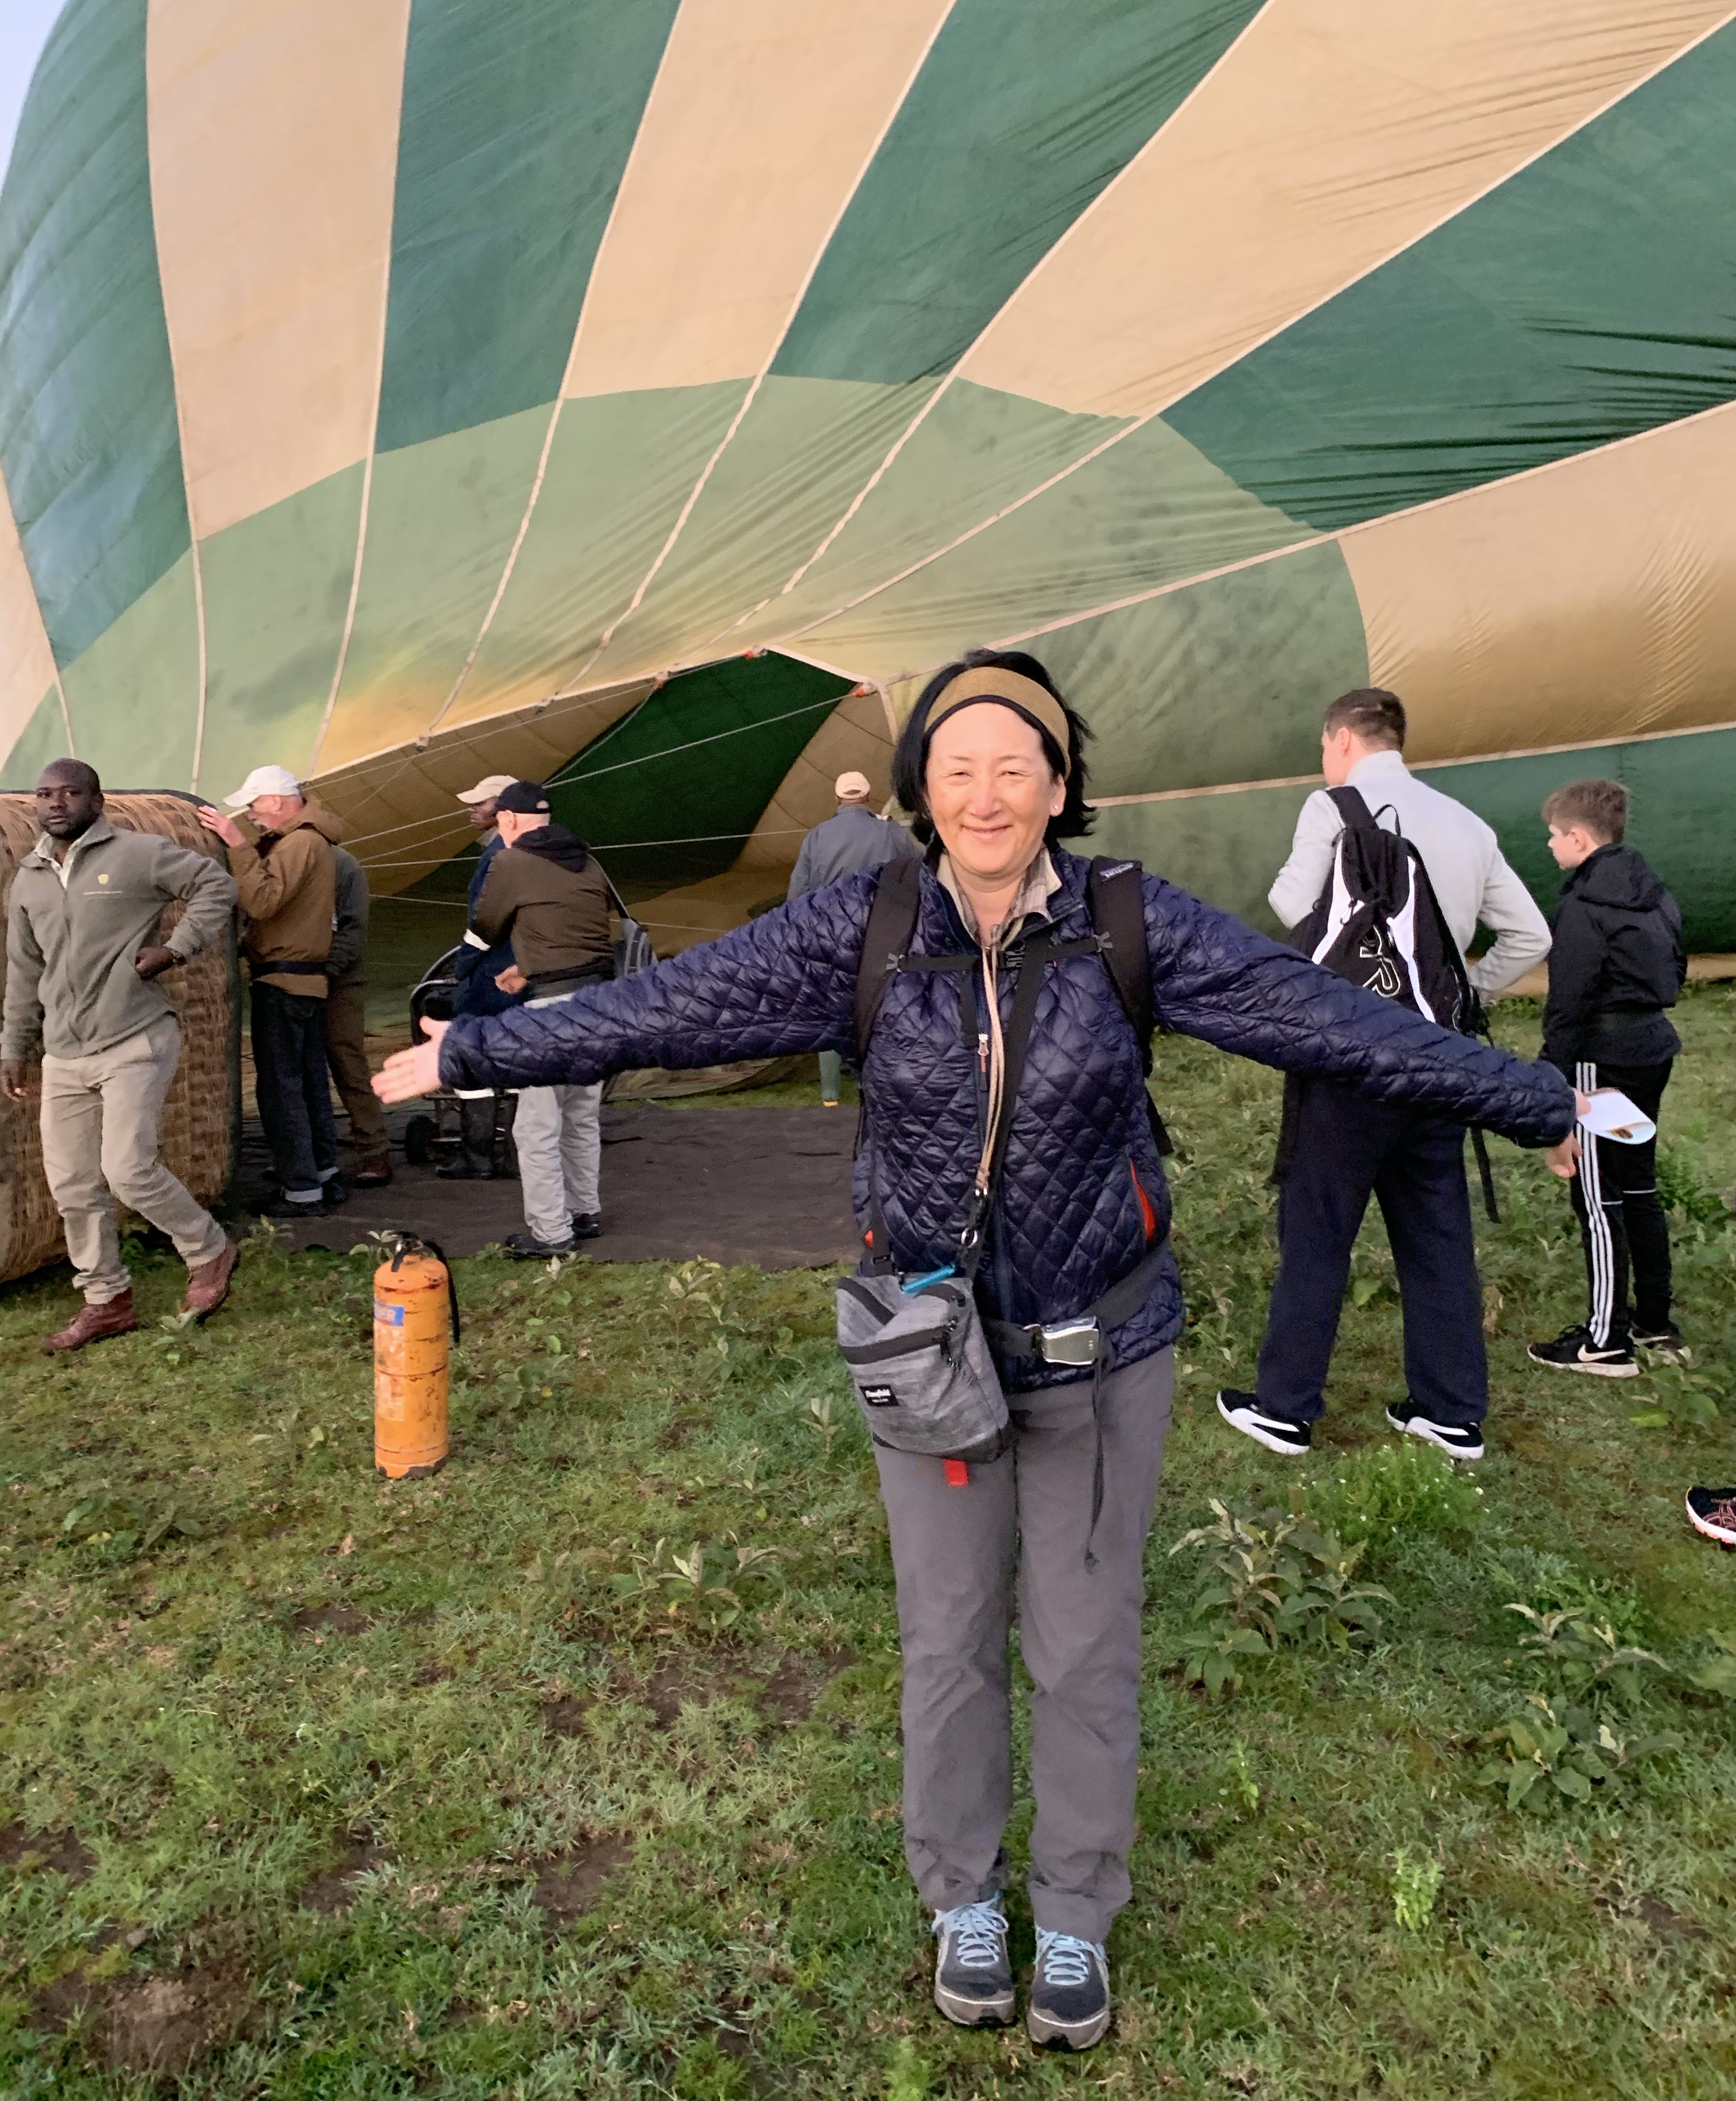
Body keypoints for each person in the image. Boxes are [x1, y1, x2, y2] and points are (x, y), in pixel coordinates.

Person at [376, 650, 1576, 2053]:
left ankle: (1074, 1914)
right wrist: (480, 1052)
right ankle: (963, 1899)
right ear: (922, 792)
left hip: (1102, 1350)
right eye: (959, 770)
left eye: (1017, 767)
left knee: (1084, 1647)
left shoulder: (1129, 921)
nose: (987, 793)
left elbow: (1326, 1019)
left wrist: (1529, 1097)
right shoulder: (868, 926)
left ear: (1060, 787)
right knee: (948, 1644)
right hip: (933, 1355)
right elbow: (678, 1004)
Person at [1218, 687, 1554, 1463]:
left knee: (1318, 1228)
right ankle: (1450, 1413)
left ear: (1341, 740)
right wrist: (1462, 998)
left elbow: (1293, 903)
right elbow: (1530, 935)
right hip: (1441, 1062)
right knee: (1437, 1234)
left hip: (1350, 1056)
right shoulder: (1467, 823)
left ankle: (1286, 1407)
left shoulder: (1333, 808)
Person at [2, 760, 240, 1351]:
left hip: (135, 1036)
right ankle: (106, 1300)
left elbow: (216, 885)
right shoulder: (30, 877)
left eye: (70, 793)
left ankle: (209, 1250)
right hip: (64, 1053)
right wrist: (14, 1046)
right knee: (72, 1184)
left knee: (128, 1169)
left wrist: (176, 949)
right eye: (45, 794)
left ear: (97, 800)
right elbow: (25, 971)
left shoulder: (137, 854)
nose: (56, 804)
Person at [1526, 779, 1685, 1379]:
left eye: (1553, 835)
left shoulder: (1582, 906)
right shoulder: (1656, 893)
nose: (1549, 845)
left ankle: (1605, 1341)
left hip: (1601, 1059)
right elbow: (1677, 967)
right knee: (1638, 1183)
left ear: (1578, 838)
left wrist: (1553, 1086)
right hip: (1651, 1048)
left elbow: (1568, 1002)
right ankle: (1656, 1323)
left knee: (1597, 1195)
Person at [461, 780, 615, 1254]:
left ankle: (551, 1233)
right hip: (598, 1002)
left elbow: (485, 927)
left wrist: (469, 972)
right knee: (581, 1115)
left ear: (507, 819)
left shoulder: (511, 862)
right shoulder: (588, 861)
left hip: (550, 1011)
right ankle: (585, 1211)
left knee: (536, 1127)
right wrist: (526, 968)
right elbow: (576, 934)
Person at [197, 767, 346, 1216]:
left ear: (277, 801)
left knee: (282, 1088)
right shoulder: (312, 840)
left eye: (254, 804)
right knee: (309, 1082)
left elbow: (262, 902)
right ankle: (323, 1173)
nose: (250, 814)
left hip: (283, 982)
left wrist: (236, 844)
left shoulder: (300, 843)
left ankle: (300, 1189)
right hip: (304, 981)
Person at [787, 770, 919, 1104]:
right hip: (880, 934)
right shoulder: (889, 831)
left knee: (832, 1010)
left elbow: (799, 894)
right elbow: (921, 868)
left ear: (837, 799)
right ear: (868, 797)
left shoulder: (817, 836)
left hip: (832, 935)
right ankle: (872, 1085)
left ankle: (830, 1093)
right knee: (879, 1008)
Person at [439, 775, 520, 1179]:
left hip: (492, 973)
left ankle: (478, 1156)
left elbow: (484, 922)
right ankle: (516, 1157)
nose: (472, 809)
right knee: (521, 1061)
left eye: (481, 803)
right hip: (521, 970)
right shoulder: (531, 850)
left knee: (470, 1058)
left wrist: (464, 967)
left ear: (503, 808)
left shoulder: (498, 854)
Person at [321, 846, 391, 1187]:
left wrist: (328, 971)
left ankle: (374, 1148)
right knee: (294, 1069)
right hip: (291, 977)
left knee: (347, 1062)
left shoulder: (341, 864)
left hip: (338, 980)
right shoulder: (276, 856)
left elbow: (353, 927)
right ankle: (307, 1155)